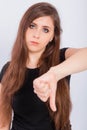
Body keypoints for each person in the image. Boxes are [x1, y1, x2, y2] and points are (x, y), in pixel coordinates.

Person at [0, 2, 87, 130]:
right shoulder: (8, 69)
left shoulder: (62, 58)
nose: (37, 35)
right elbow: (3, 123)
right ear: (23, 28)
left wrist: (55, 74)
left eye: (45, 30)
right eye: (32, 26)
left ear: (52, 36)